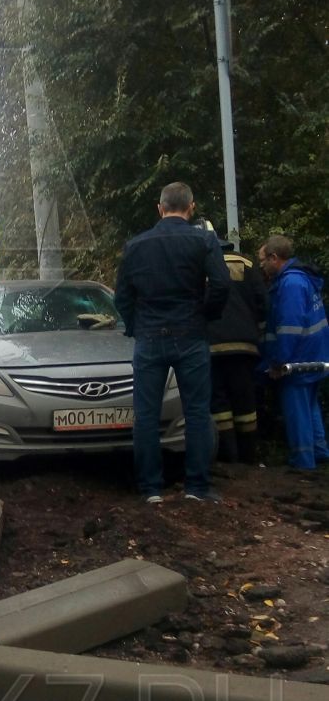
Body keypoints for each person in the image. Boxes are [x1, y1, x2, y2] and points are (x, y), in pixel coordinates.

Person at [114, 182, 230, 504]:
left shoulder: (135, 246)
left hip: (150, 338)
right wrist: (205, 316)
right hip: (191, 335)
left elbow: (122, 297)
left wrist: (137, 326)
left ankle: (151, 490)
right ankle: (197, 488)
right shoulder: (203, 240)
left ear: (160, 208)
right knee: (196, 413)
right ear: (191, 207)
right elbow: (221, 285)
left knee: (146, 416)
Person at [257, 234, 329, 471]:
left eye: (262, 260)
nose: (261, 266)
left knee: (296, 409)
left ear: (274, 258)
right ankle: (319, 453)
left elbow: (289, 327)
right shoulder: (303, 279)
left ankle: (303, 461)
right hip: (314, 355)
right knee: (309, 405)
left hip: (297, 359)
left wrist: (279, 361)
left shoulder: (290, 284)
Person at [207, 243, 268, 463]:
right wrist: (257, 330)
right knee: (245, 401)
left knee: (219, 402)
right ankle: (250, 456)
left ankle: (228, 457)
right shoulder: (246, 263)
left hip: (212, 346)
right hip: (245, 345)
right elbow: (262, 301)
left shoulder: (200, 263)